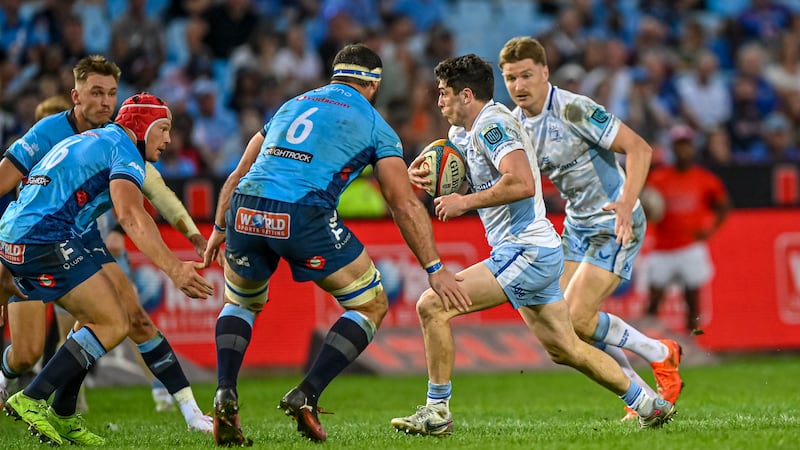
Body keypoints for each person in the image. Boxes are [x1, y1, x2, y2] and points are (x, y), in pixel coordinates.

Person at [390, 53, 675, 436]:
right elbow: (473, 176)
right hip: (529, 251)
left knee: (432, 305)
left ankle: (437, 410)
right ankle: (648, 405)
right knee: (565, 348)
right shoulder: (462, 133)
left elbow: (522, 182)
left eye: (444, 93)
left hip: (526, 250)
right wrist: (427, 173)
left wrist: (464, 202)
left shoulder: (493, 126)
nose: (439, 101)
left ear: (466, 95)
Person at [202, 43, 469, 446]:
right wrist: (434, 268)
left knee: (239, 303)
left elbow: (241, 170)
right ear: (374, 85)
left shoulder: (290, 106)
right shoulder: (376, 125)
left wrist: (220, 225)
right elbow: (402, 203)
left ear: (336, 75)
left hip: (245, 208)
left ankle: (225, 391)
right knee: (370, 304)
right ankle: (306, 393)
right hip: (302, 213)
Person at [0, 55, 213, 437]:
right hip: (47, 237)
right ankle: (32, 397)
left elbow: (156, 194)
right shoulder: (118, 148)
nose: (169, 140)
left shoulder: (95, 138)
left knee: (97, 322)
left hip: (23, 234)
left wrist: (194, 236)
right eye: (164, 129)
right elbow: (131, 214)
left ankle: (63, 414)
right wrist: (174, 268)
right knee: (113, 322)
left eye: (111, 93)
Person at [497, 36, 683, 421]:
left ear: (545, 72)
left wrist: (627, 203)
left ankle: (660, 353)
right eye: (511, 78)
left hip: (614, 221)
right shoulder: (516, 125)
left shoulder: (574, 109)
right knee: (565, 326)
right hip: (577, 226)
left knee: (578, 318)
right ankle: (644, 397)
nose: (519, 85)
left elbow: (640, 148)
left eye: (526, 75)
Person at [645, 124, 730, 333]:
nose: (683, 149)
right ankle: (646, 342)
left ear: (693, 147)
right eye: (679, 145)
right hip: (663, 247)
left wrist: (711, 230)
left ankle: (694, 341)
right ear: (673, 148)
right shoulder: (658, 178)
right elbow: (646, 206)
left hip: (690, 246)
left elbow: (723, 206)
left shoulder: (705, 179)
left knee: (693, 301)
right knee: (653, 301)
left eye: (686, 145)